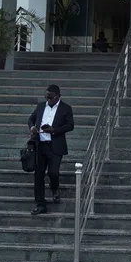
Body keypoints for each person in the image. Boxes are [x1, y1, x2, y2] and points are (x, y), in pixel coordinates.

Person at [27, 84, 74, 215]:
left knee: (53, 172)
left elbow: (70, 125)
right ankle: (40, 204)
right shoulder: (41, 106)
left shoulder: (66, 108)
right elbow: (31, 119)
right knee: (38, 175)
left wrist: (54, 130)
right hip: (40, 144)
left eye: (51, 97)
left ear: (58, 96)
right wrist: (32, 127)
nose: (48, 99)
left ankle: (55, 189)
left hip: (55, 146)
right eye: (46, 96)